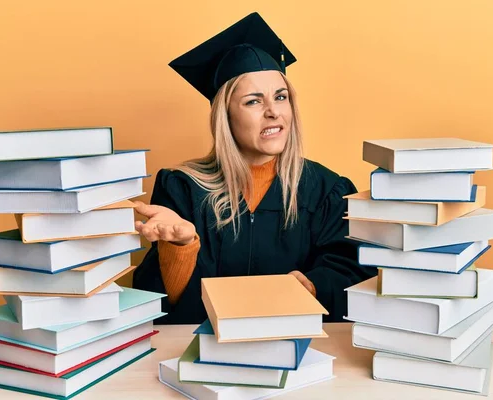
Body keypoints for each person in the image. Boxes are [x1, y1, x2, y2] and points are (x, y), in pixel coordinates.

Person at [132, 12, 376, 324]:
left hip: (298, 350)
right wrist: (180, 247)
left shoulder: (326, 188)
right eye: (253, 102)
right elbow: (156, 303)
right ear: (226, 116)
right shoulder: (182, 188)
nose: (274, 112)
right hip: (204, 354)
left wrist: (313, 285)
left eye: (281, 97)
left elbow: (353, 271)